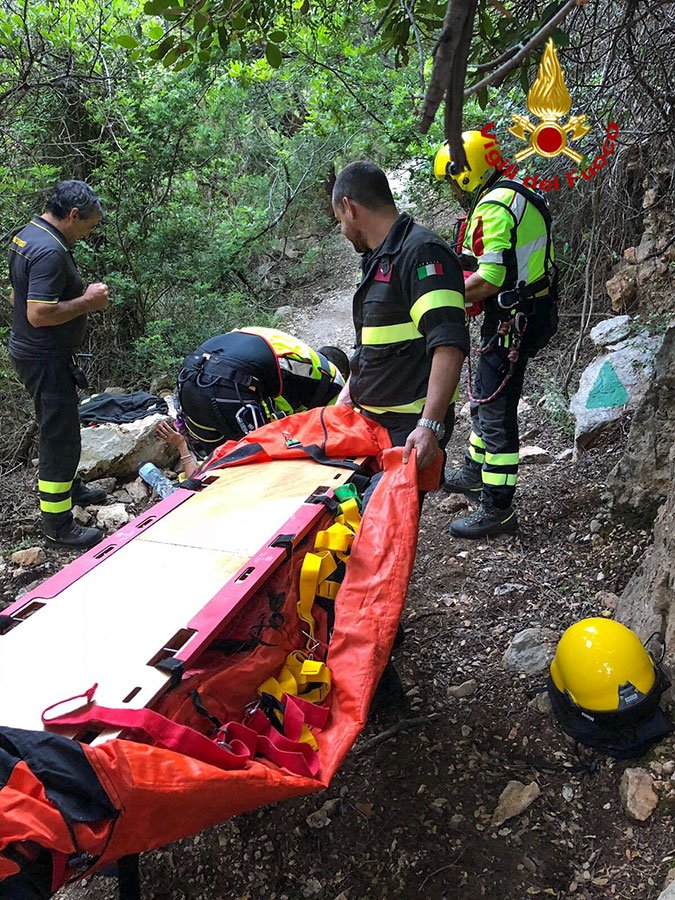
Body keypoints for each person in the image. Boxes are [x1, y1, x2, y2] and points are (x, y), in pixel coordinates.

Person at [434, 131, 558, 539]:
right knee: (485, 392)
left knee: (496, 409)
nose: (452, 190)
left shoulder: (494, 207)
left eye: (452, 180)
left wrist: (445, 297)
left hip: (514, 318)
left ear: (465, 174)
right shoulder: (512, 191)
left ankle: (498, 508)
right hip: (527, 309)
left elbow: (491, 278)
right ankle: (473, 471)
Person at [331, 160, 468, 493]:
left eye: (339, 221)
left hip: (408, 428)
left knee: (388, 530)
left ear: (350, 208)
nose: (342, 230)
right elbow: (374, 345)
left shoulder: (422, 254)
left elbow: (448, 344)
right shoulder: (378, 259)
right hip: (374, 424)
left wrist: (429, 426)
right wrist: (348, 395)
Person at [8, 180, 110, 549]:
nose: (88, 233)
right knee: (58, 436)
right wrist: (87, 300)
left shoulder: (27, 234)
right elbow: (37, 313)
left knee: (64, 424)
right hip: (43, 356)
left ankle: (70, 488)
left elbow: (16, 292)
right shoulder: (50, 250)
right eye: (89, 225)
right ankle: (57, 524)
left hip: (36, 352)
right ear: (72, 216)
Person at [157, 326, 349, 476]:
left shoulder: (291, 350)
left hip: (189, 380)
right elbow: (334, 428)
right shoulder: (332, 378)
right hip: (231, 384)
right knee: (257, 462)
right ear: (345, 373)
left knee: (217, 463)